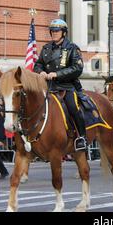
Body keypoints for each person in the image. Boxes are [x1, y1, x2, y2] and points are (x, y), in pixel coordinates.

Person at [34, 18, 87, 151]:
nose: (54, 33)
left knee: (73, 108)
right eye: (52, 31)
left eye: (57, 31)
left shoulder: (72, 48)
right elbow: (38, 64)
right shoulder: (46, 48)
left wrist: (57, 74)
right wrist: (40, 72)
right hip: (49, 87)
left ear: (64, 32)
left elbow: (77, 68)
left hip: (67, 87)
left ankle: (82, 137)